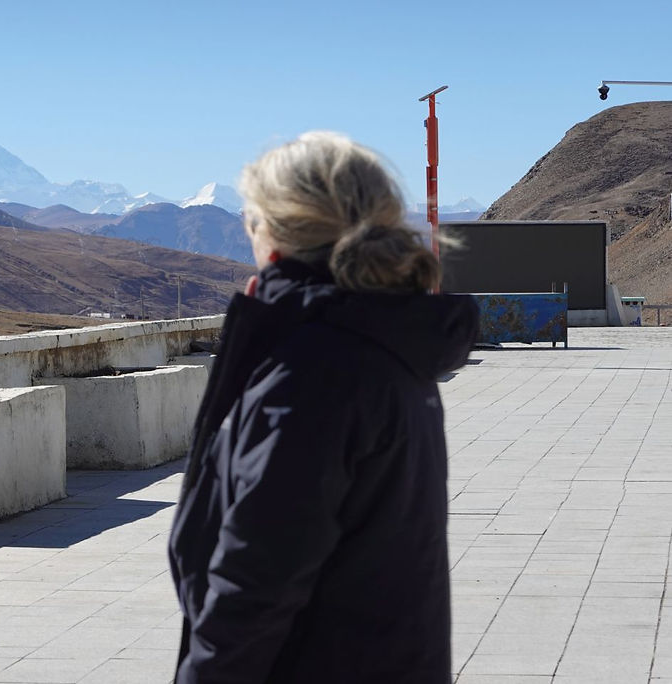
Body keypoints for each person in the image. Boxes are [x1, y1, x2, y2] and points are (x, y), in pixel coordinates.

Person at [168, 131, 479, 683]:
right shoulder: (381, 343)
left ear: (275, 234)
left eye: (252, 220)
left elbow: (254, 588)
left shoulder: (314, 369)